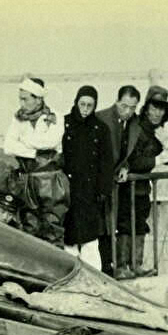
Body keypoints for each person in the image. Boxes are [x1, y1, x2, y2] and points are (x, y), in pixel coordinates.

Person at [115, 85, 168, 278]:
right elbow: (130, 160)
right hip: (127, 185)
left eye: (161, 108)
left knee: (140, 223)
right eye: (154, 107)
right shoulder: (136, 126)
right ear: (146, 107)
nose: (157, 112)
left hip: (142, 187)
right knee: (125, 224)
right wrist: (158, 159)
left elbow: (164, 158)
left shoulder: (156, 131)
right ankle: (122, 266)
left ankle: (136, 265)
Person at [2, 78, 69, 247]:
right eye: (20, 99)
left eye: (25, 99)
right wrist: (33, 153)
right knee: (29, 227)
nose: (21, 103)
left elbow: (50, 142)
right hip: (26, 181)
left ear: (38, 99)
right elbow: (8, 146)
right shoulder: (18, 118)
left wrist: (23, 140)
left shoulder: (55, 116)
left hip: (51, 182)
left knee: (52, 226)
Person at [61, 85, 113, 270]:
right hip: (67, 190)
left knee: (90, 240)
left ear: (94, 106)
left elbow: (106, 162)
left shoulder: (100, 129)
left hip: (90, 193)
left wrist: (103, 190)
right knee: (69, 238)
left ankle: (93, 277)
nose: (84, 109)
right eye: (82, 104)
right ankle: (69, 275)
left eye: (89, 105)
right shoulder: (64, 123)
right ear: (76, 103)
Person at [96, 84, 142, 275]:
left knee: (110, 226)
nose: (128, 111)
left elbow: (130, 154)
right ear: (117, 102)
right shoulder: (100, 118)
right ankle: (103, 269)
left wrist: (125, 166)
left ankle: (112, 268)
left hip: (114, 184)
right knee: (99, 227)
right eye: (124, 106)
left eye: (132, 107)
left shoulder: (134, 124)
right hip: (97, 183)